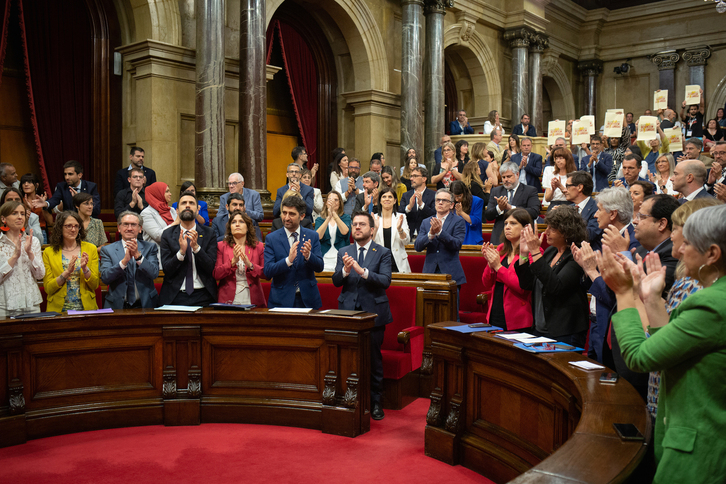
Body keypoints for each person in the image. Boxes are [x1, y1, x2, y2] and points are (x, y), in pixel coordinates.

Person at [598, 203, 726, 484]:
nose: (678, 250)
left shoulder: (711, 304)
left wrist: (624, 293)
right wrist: (653, 299)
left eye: (688, 243)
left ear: (713, 254)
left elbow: (640, 357)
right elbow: (671, 351)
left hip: (701, 451)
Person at [644, 198, 721, 425]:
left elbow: (650, 353)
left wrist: (628, 293)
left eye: (679, 232)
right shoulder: (690, 280)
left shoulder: (698, 291)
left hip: (680, 409)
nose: (673, 239)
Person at [332, 210, 393, 421]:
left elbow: (385, 280)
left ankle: (376, 402)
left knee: (373, 359)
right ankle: (346, 398)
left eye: (362, 225)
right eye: (355, 224)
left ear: (372, 230)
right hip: (347, 312)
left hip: (373, 314)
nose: (357, 227)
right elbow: (336, 281)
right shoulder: (344, 251)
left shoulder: (382, 252)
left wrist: (362, 271)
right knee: (346, 357)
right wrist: (346, 271)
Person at [515, 205, 589, 347]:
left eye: (552, 229)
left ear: (567, 231)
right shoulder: (550, 252)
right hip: (540, 328)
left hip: (565, 331)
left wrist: (535, 252)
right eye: (547, 227)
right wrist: (524, 254)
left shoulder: (576, 256)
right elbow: (527, 284)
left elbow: (556, 287)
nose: (546, 232)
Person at [263, 196, 324, 309]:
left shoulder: (312, 236)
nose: (286, 217)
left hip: (308, 300)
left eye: (291, 214)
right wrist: (288, 261)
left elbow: (320, 267)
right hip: (281, 300)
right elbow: (267, 271)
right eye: (284, 213)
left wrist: (309, 256)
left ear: (302, 216)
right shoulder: (272, 238)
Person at [159, 191, 217, 306]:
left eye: (191, 203)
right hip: (175, 295)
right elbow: (167, 269)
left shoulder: (209, 233)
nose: (187, 205)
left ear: (197, 210)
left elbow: (210, 267)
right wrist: (181, 253)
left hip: (204, 294)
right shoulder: (167, 234)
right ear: (177, 210)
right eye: (183, 203)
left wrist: (196, 248)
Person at [480, 208, 534, 330]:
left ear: (525, 228)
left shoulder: (532, 252)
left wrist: (498, 267)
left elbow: (522, 287)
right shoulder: (500, 249)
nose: (507, 227)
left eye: (513, 223)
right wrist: (490, 264)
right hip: (495, 313)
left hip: (518, 318)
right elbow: (486, 283)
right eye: (505, 224)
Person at [414, 189, 466, 316]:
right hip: (430, 272)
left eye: (444, 200)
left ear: (451, 204)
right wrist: (431, 234)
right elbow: (417, 246)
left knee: (451, 314)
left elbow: (457, 244)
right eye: (438, 200)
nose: (440, 202)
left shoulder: (458, 221)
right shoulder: (427, 222)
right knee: (428, 314)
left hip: (450, 273)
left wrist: (440, 233)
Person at [99, 211, 160, 309]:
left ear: (140, 229)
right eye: (126, 224)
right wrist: (123, 262)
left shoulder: (150, 247)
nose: (129, 228)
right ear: (119, 228)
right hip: (117, 306)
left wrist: (138, 256)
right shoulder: (108, 250)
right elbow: (105, 278)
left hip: (145, 305)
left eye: (133, 225)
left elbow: (154, 273)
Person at [42, 211, 100, 312]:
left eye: (76, 226)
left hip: (86, 309)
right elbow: (48, 288)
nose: (73, 229)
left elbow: (94, 285)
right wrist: (66, 273)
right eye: (69, 226)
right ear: (60, 228)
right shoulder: (48, 252)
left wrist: (85, 269)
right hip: (59, 310)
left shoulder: (91, 249)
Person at [0, 201, 44, 317]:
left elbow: (40, 275)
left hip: (32, 304)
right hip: (5, 305)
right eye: (14, 213)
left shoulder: (33, 241)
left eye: (22, 213)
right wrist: (14, 256)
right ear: (3, 219)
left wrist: (30, 253)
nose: (20, 217)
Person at [213, 211, 266, 307]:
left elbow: (266, 274)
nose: (237, 224)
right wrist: (232, 262)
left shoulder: (259, 247)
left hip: (253, 297)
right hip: (228, 298)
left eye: (241, 221)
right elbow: (216, 274)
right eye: (233, 222)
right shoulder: (221, 246)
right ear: (230, 228)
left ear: (248, 227)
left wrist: (250, 265)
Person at [484, 161, 540, 246]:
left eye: (509, 176)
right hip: (500, 236)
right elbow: (488, 215)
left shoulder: (530, 190)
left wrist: (510, 207)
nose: (506, 180)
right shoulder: (496, 191)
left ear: (517, 175)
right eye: (503, 177)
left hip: (522, 236)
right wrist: (499, 208)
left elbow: (534, 212)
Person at [34, 160, 101, 218]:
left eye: (70, 174)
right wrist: (46, 203)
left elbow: (96, 209)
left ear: (79, 175)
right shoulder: (62, 186)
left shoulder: (91, 187)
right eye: (65, 174)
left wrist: (79, 200)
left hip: (88, 222)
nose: (67, 177)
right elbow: (54, 199)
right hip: (70, 222)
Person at [373, 187, 410, 273]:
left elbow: (406, 242)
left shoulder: (401, 217)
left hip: (398, 263)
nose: (387, 199)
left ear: (395, 201)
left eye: (390, 197)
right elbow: (368, 243)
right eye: (384, 196)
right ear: (380, 201)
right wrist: (375, 230)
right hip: (379, 262)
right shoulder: (373, 218)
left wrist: (400, 229)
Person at [140, 182, 176, 268]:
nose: (170, 194)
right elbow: (158, 235)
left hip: (176, 254)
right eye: (167, 191)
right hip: (158, 257)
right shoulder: (146, 213)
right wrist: (175, 223)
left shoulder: (171, 210)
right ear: (158, 194)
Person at [560, 171, 600, 246]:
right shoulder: (569, 208)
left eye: (568, 186)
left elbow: (589, 235)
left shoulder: (597, 208)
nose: (565, 190)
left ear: (580, 187)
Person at [315, 190, 351, 272]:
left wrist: (334, 214)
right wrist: (328, 218)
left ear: (340, 203)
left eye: (336, 200)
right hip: (323, 257)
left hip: (341, 258)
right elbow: (318, 236)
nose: (333, 202)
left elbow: (345, 231)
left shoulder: (345, 217)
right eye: (330, 199)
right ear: (326, 202)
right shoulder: (320, 219)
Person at [399, 166, 436, 238]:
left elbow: (434, 215)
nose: (411, 179)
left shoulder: (433, 195)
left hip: (426, 236)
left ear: (424, 179)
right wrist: (409, 207)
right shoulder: (406, 195)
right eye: (411, 176)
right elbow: (399, 214)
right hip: (408, 236)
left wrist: (422, 205)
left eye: (415, 176)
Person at [20, 173, 53, 243]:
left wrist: (43, 206)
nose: (26, 184)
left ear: (36, 185)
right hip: (23, 232)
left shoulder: (43, 200)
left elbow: (50, 222)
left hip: (40, 232)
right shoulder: (20, 201)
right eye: (23, 182)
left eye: (29, 182)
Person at [450, 181, 483, 245]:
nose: (456, 199)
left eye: (459, 196)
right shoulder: (451, 202)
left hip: (472, 239)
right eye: (454, 197)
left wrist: (461, 213)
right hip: (455, 239)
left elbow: (476, 221)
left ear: (464, 193)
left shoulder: (477, 201)